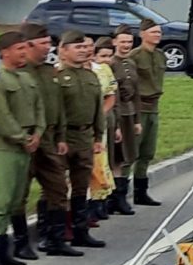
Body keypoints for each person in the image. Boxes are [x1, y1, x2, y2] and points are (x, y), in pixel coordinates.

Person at [15, 23, 81, 258]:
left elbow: (59, 106)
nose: (48, 48)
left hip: (50, 138)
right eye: (43, 44)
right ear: (29, 44)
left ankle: (54, 238)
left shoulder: (49, 71)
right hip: (26, 140)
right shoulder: (21, 72)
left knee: (58, 188)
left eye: (49, 43)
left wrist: (61, 136)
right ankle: (21, 242)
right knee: (19, 193)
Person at [0, 31, 42, 265]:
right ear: (5, 52)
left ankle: (5, 251)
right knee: (1, 201)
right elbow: (0, 117)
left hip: (26, 144)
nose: (25, 52)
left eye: (25, 48)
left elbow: (39, 109)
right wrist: (22, 138)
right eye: (19, 49)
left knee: (16, 201)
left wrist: (37, 133)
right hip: (4, 147)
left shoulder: (26, 79)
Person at [53, 30, 107, 248]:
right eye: (78, 47)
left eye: (86, 47)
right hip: (64, 138)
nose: (84, 50)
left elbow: (97, 110)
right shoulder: (56, 77)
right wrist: (57, 138)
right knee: (56, 187)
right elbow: (55, 112)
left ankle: (80, 230)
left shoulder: (91, 76)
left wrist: (98, 136)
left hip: (85, 137)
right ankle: (53, 233)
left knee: (81, 186)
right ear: (63, 51)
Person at [128, 18, 166, 207]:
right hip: (139, 107)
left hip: (154, 108)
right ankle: (118, 195)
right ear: (142, 34)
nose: (157, 35)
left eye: (159, 32)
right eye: (153, 32)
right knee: (131, 152)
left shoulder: (160, 55)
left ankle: (140, 192)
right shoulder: (134, 56)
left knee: (147, 152)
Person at [108, 25, 140, 214]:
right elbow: (113, 95)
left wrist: (137, 119)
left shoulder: (131, 63)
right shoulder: (111, 64)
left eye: (129, 42)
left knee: (126, 156)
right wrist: (118, 123)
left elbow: (136, 93)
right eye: (123, 42)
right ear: (114, 42)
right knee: (116, 157)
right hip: (116, 114)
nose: (126, 45)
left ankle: (120, 196)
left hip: (129, 113)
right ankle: (115, 198)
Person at [89, 37, 118, 221]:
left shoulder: (104, 71)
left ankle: (98, 203)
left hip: (100, 124)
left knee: (100, 163)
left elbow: (111, 95)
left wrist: (100, 115)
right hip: (79, 128)